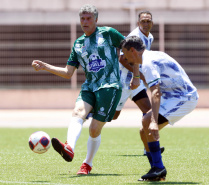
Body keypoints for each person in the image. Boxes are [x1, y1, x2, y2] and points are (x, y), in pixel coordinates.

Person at [31, 4, 124, 175]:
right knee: (77, 112)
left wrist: (135, 73)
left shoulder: (108, 33)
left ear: (96, 19)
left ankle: (87, 164)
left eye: (89, 18)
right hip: (90, 86)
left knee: (94, 129)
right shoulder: (78, 43)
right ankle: (69, 148)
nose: (85, 21)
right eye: (82, 18)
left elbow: (128, 49)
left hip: (109, 86)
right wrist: (45, 67)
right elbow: (68, 73)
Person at [120, 36, 199, 181]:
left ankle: (158, 168)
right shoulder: (148, 55)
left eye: (124, 53)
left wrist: (154, 122)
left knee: (147, 122)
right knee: (143, 130)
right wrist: (136, 76)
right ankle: (156, 170)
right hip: (172, 95)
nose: (124, 58)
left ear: (132, 50)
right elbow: (139, 65)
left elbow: (156, 92)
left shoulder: (149, 63)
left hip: (184, 97)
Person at [113, 11, 164, 163]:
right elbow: (122, 58)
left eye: (148, 21)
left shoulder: (150, 37)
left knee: (148, 112)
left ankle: (148, 146)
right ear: (138, 23)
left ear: (152, 23)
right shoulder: (133, 37)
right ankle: (90, 112)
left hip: (136, 83)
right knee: (113, 116)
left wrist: (140, 76)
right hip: (123, 82)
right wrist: (140, 75)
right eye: (143, 21)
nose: (146, 24)